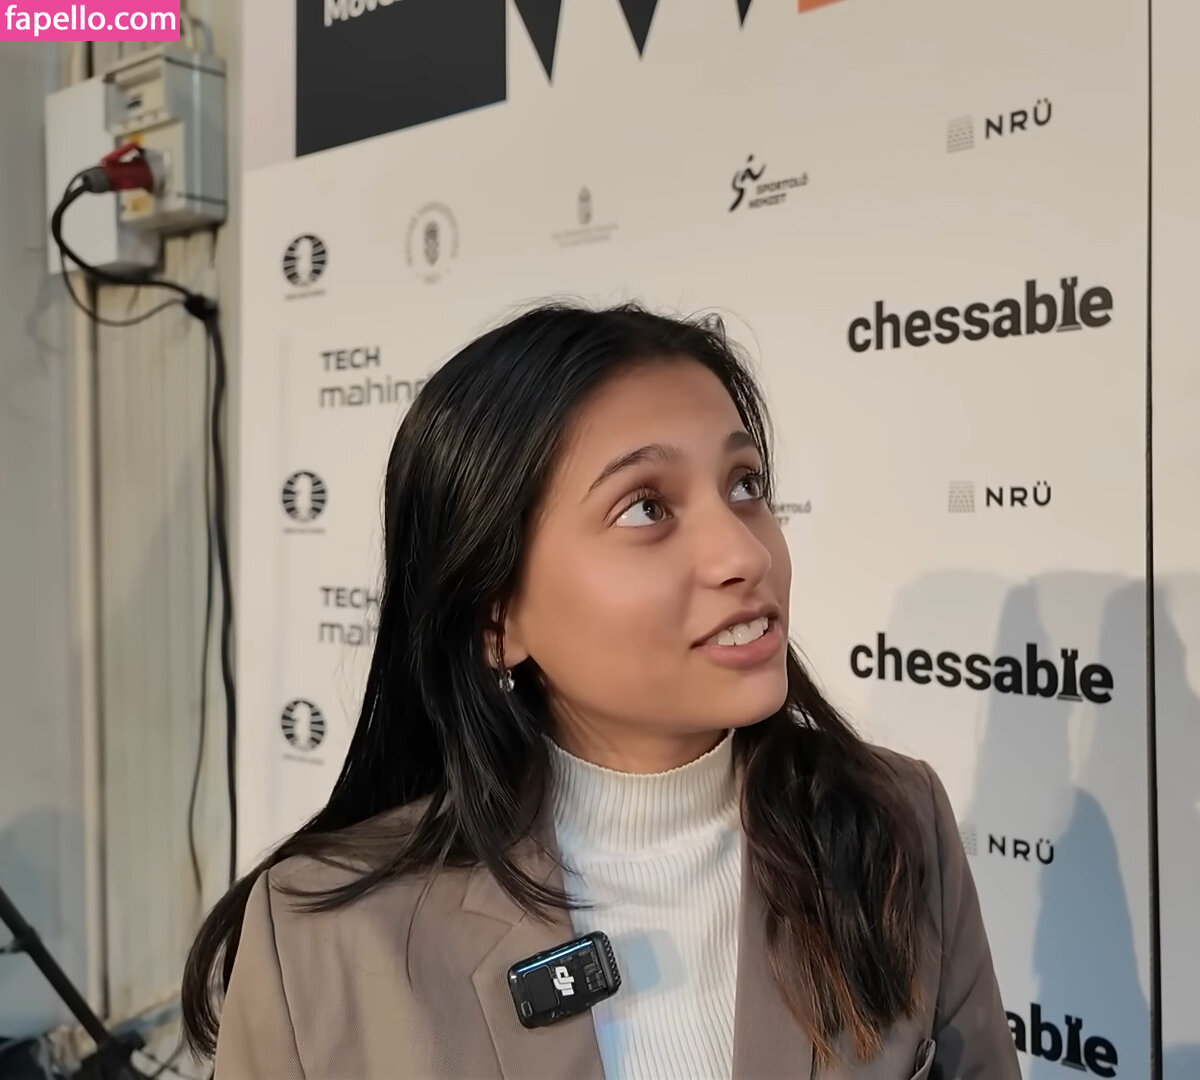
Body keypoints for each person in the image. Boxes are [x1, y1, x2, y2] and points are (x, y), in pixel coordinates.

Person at [181, 304, 1020, 1079]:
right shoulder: (321, 939)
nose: (746, 553)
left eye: (744, 485)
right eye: (646, 508)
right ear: (495, 617)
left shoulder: (895, 825)